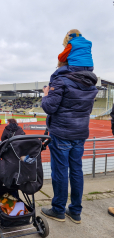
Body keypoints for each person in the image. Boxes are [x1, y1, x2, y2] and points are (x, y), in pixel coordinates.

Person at [40, 64, 98, 224]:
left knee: (60, 172)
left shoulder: (61, 80)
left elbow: (49, 107)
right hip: (80, 133)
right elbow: (88, 109)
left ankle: (58, 210)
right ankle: (75, 212)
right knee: (76, 170)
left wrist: (46, 95)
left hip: (62, 133)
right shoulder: (90, 82)